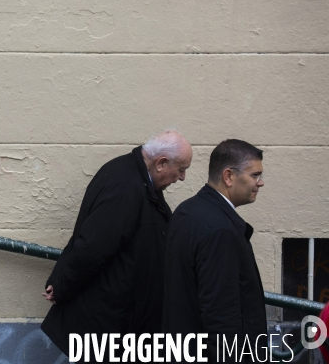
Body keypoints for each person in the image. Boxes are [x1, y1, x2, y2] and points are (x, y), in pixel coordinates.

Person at [41, 130, 193, 362]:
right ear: (161, 163)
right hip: (113, 322)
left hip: (124, 320)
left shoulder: (139, 179)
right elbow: (92, 246)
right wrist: (62, 284)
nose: (182, 177)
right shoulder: (127, 186)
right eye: (181, 169)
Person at [163, 139, 267, 363]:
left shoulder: (187, 211)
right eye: (255, 175)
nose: (261, 183)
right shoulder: (220, 230)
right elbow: (221, 317)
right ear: (228, 176)